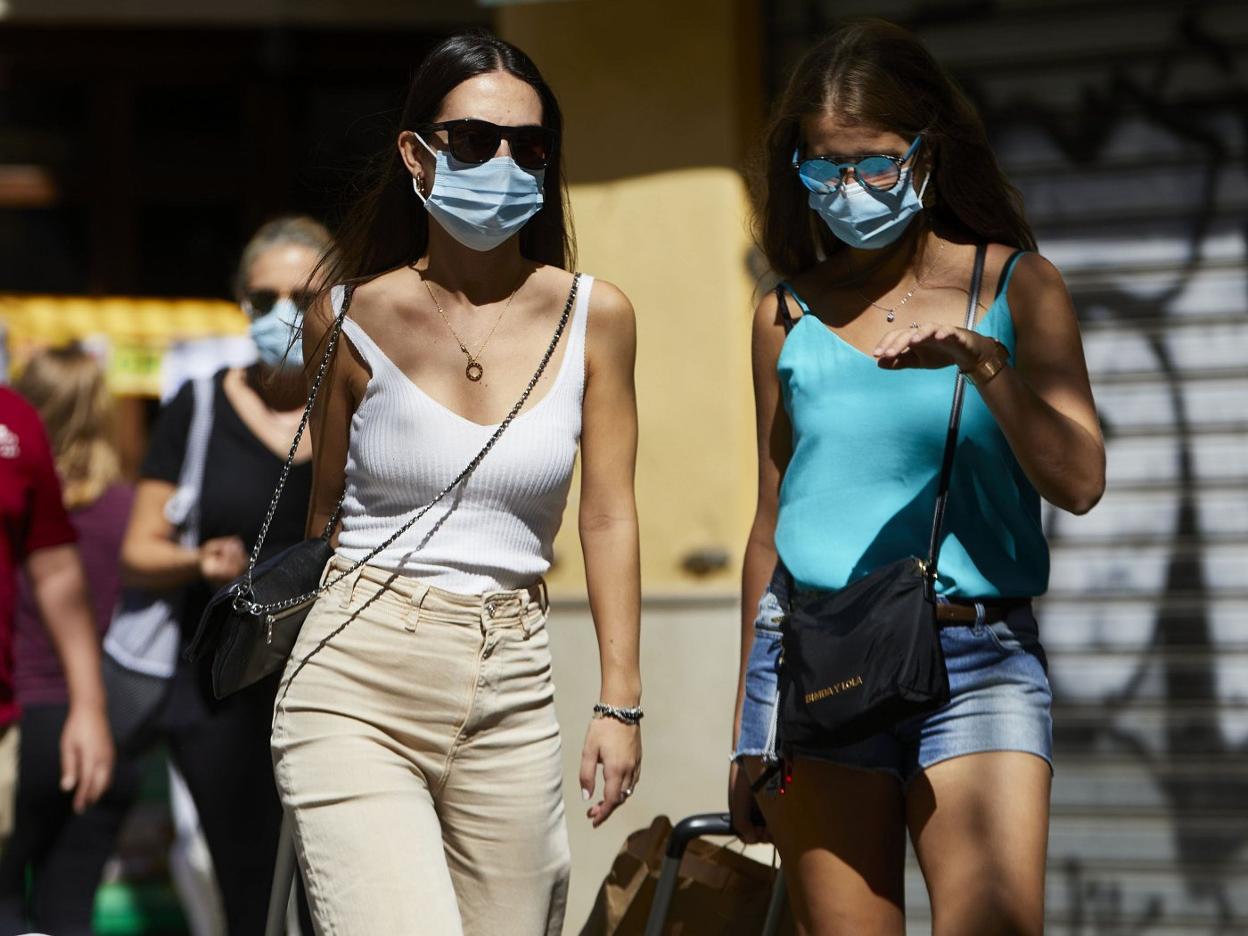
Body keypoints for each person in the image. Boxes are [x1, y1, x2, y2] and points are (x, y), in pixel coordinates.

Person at [729, 19, 1105, 936]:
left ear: (930, 153)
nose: (848, 190)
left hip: (977, 659)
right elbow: (771, 519)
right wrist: (747, 730)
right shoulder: (785, 311)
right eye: (823, 169)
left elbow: (1082, 481)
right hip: (815, 660)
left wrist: (986, 367)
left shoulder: (1019, 287)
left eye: (876, 165)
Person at [273, 31, 642, 935]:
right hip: (357, 663)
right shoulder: (349, 312)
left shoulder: (596, 315)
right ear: (417, 153)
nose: (505, 163)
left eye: (530, 146)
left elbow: (607, 512)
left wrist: (620, 700)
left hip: (513, 675)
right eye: (476, 141)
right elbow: (325, 508)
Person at [118, 215, 332, 934]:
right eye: (265, 298)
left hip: (334, 684)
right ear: (240, 303)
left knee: (337, 891)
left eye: (304, 298)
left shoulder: (361, 407)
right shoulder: (201, 404)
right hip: (220, 693)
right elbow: (137, 548)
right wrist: (195, 559)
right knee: (245, 892)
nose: (284, 316)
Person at [0, 346, 136, 934]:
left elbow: (56, 578)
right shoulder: (134, 510)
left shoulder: (18, 451)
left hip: (32, 718)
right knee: (67, 909)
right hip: (99, 720)